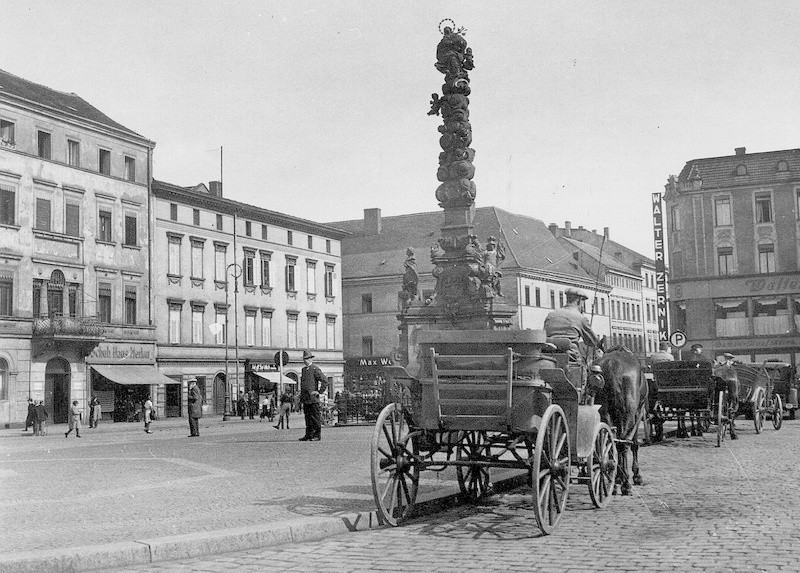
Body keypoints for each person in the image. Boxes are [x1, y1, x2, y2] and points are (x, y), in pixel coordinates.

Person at [543, 287, 601, 363]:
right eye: (583, 303)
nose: (582, 307)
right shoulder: (580, 318)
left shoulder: (550, 316)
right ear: (579, 301)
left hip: (548, 358)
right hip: (571, 359)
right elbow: (593, 342)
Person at [298, 350, 328, 441]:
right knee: (307, 417)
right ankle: (309, 434)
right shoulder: (303, 370)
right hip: (305, 398)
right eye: (304, 359)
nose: (305, 360)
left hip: (313, 398)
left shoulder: (315, 369)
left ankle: (317, 435)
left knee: (315, 417)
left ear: (311, 359)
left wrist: (319, 391)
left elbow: (324, 380)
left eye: (307, 358)